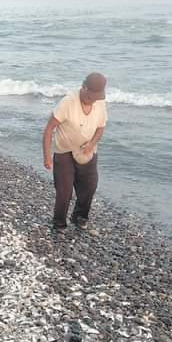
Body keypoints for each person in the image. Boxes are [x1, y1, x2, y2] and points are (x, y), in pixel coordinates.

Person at [43, 72, 108, 231]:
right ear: (84, 88)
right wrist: (47, 156)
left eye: (97, 97)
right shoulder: (68, 102)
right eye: (92, 96)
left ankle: (79, 217)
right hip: (64, 152)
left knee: (90, 186)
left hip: (87, 152)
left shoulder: (99, 103)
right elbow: (49, 128)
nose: (94, 100)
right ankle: (59, 223)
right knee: (64, 191)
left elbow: (101, 128)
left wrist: (91, 144)